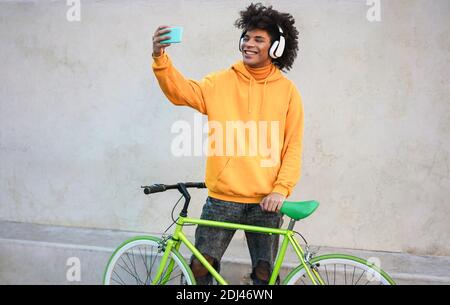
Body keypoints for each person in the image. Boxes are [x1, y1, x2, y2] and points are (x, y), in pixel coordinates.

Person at [151, 3, 303, 285]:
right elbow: (181, 92)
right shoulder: (220, 82)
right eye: (246, 37)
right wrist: (160, 57)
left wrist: (281, 190)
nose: (249, 44)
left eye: (259, 39)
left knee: (265, 274)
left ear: (277, 47)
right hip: (222, 199)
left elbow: (292, 147)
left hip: (266, 202)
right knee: (199, 269)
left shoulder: (288, 92)